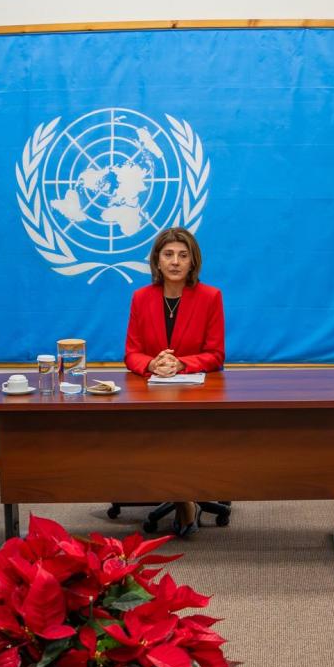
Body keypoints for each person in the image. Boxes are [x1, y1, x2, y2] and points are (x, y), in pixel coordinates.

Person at [123, 227, 225, 533]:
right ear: (156, 261)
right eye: (168, 255)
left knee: (184, 434)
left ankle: (183, 500)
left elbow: (216, 354)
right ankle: (183, 498)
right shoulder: (141, 298)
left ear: (193, 262)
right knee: (154, 435)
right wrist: (153, 363)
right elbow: (131, 353)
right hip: (153, 392)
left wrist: (180, 363)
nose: (175, 262)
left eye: (183, 255)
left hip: (197, 393)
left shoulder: (210, 297)